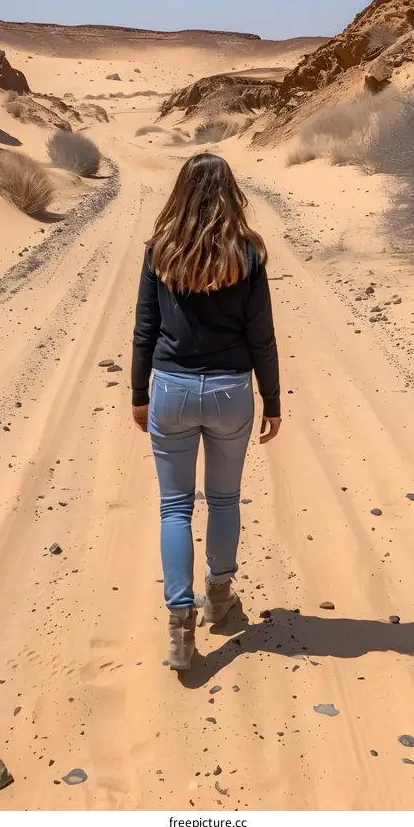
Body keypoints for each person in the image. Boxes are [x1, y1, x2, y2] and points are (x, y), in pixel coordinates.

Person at [131, 152, 281, 670]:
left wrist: (138, 393)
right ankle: (219, 596)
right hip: (229, 392)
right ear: (229, 193)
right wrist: (273, 399)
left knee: (175, 507)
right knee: (223, 499)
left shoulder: (160, 251)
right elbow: (261, 336)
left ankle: (179, 626)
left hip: (170, 389)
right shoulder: (249, 254)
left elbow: (144, 330)